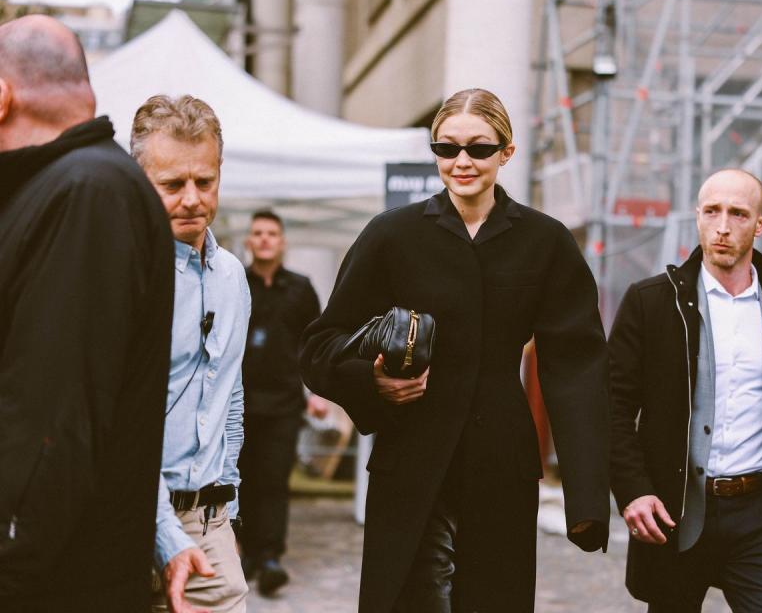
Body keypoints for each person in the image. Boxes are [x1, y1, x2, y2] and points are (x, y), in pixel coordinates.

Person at [300, 88, 610, 613]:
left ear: (506, 153)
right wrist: (373, 384)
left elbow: (576, 364)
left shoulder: (545, 241)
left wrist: (586, 495)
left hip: (501, 464)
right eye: (447, 149)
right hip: (411, 459)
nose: (461, 161)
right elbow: (320, 346)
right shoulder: (391, 235)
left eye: (478, 148)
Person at [608, 168, 762, 611]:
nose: (723, 226)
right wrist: (632, 490)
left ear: (760, 225)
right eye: (712, 212)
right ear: (697, 216)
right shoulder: (650, 302)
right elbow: (612, 406)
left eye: (738, 214)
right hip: (678, 511)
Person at [0, 16, 174, 610]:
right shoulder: (67, 186)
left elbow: (51, 426)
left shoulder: (87, 192)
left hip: (58, 585)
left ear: (2, 96)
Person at [131, 94, 251, 613]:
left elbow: (229, 396)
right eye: (172, 184)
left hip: (210, 525)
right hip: (129, 519)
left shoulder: (232, 277)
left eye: (205, 181)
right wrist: (165, 534)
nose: (192, 199)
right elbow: (116, 420)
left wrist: (228, 515)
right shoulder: (122, 273)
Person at [239, 209, 327, 594]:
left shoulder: (300, 288)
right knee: (239, 480)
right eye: (257, 233)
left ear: (282, 241)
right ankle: (245, 553)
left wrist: (318, 393)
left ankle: (271, 556)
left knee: (274, 480)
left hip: (284, 404)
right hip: (236, 405)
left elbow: (316, 343)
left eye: (271, 233)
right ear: (248, 241)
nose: (263, 239)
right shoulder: (234, 282)